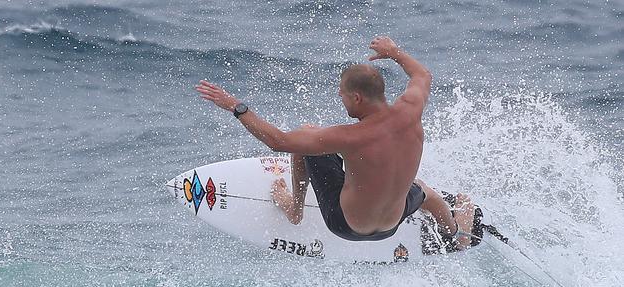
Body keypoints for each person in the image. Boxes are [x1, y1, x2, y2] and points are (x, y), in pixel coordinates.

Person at [196, 36, 474, 247]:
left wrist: (236, 106)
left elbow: (278, 142)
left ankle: (294, 209)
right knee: (424, 190)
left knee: (305, 140)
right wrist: (393, 52)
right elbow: (422, 75)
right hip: (392, 224)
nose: (340, 99)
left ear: (357, 98)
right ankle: (456, 233)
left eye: (342, 94)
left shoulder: (348, 137)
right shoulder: (411, 109)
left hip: (346, 225)